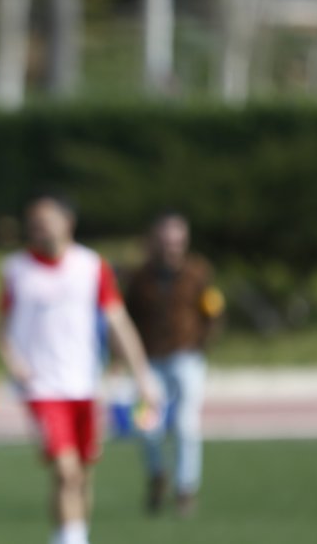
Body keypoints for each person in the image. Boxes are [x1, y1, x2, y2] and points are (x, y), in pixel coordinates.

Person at [0, 194, 160, 544]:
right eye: (34, 221)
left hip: (85, 385)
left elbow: (119, 323)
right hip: (41, 388)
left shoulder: (91, 266)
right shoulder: (16, 269)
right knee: (66, 471)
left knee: (82, 475)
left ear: (67, 222)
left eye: (46, 219)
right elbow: (1, 328)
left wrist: (142, 376)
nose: (38, 227)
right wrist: (15, 364)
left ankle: (72, 534)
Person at [124, 211, 224, 516]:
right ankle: (157, 475)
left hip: (186, 357)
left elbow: (213, 311)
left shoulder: (198, 272)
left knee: (185, 424)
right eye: (166, 242)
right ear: (154, 242)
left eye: (177, 242)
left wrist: (201, 345)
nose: (172, 248)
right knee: (146, 424)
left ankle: (185, 488)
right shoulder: (140, 277)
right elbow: (126, 318)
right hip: (150, 360)